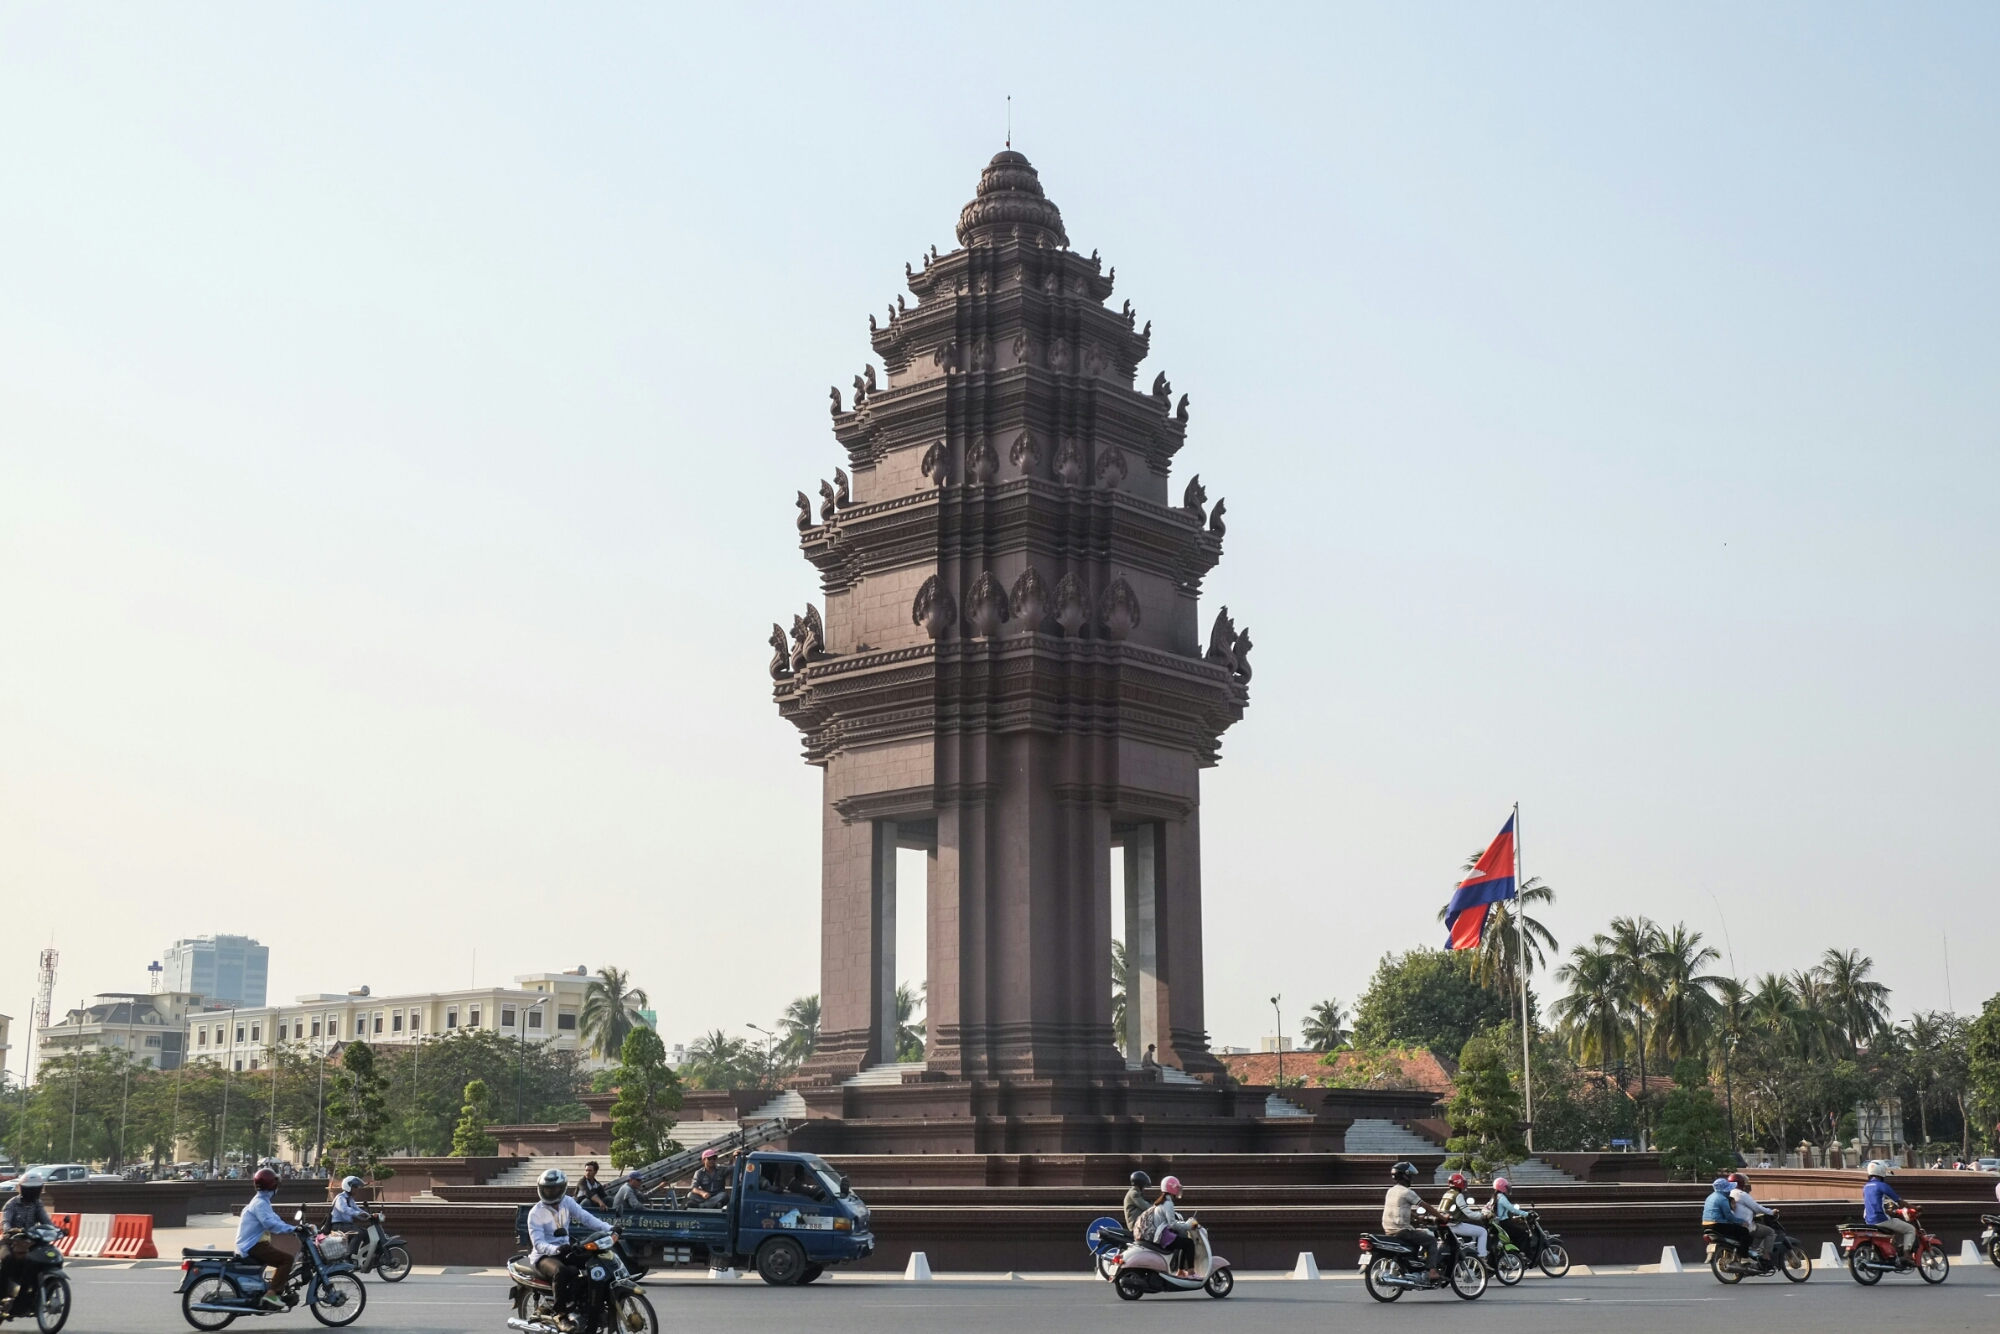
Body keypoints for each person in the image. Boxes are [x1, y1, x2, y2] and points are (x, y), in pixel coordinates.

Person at [529, 1168, 611, 1333]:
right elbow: (538, 1243)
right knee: (562, 1270)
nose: (550, 1192)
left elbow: (586, 1217)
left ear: (562, 1188)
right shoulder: (535, 1213)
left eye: (554, 1188)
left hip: (565, 1249)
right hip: (544, 1256)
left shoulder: (567, 1202)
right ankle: (561, 1315)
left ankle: (588, 1305)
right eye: (547, 1188)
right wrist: (556, 1248)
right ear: (541, 1189)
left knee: (593, 1261)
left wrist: (609, 1228)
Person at [235, 1167, 298, 1311]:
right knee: (286, 1260)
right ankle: (271, 1294)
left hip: (256, 1244)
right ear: (272, 1185)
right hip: (254, 1245)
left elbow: (276, 1220)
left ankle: (272, 1289)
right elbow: (269, 1223)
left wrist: (294, 1228)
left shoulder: (262, 1201)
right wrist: (292, 1229)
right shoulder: (260, 1203)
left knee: (282, 1258)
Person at [0, 1173, 56, 1317]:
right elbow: (5, 1221)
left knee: (39, 1261)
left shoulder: (37, 1204)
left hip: (30, 1242)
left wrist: (56, 1230)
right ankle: (2, 1296)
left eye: (35, 1189)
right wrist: (9, 1230)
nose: (33, 1193)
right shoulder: (12, 1204)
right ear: (22, 1189)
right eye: (29, 1189)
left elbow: (46, 1221)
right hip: (10, 1242)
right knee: (7, 1260)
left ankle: (29, 1294)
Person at [1383, 1161, 1440, 1281]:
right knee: (1431, 1241)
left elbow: (1400, 1209)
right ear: (1406, 1176)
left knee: (1417, 1238)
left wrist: (1416, 1217)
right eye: (1411, 1176)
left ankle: (1415, 1266)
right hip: (1402, 1230)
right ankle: (1432, 1271)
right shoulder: (1407, 1192)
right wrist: (1441, 1217)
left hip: (1389, 1229)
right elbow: (1427, 1207)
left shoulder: (1391, 1191)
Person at [1139, 1176, 1197, 1276]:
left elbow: (1170, 1222)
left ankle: (1181, 1271)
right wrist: (1189, 1226)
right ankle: (1191, 1271)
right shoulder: (1168, 1203)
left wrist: (1185, 1224)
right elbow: (1172, 1224)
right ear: (1172, 1188)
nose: (1179, 1190)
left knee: (1184, 1242)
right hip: (1163, 1236)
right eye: (1177, 1188)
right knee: (1189, 1243)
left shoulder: (1161, 1202)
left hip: (1161, 1234)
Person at [1862, 1161, 1914, 1258]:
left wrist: (1888, 1211)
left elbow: (1874, 1204)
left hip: (1869, 1221)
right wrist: (1915, 1207)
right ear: (1881, 1171)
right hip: (1881, 1220)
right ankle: (1907, 1255)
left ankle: (1893, 1247)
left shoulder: (1866, 1187)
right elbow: (1899, 1202)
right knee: (1910, 1229)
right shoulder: (1882, 1186)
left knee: (1894, 1225)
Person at [1438, 1173, 1489, 1262]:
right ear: (1459, 1183)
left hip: (1443, 1224)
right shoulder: (1458, 1195)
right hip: (1454, 1225)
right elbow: (1468, 1213)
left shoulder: (1447, 1193)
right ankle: (1482, 1258)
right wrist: (1482, 1215)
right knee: (1482, 1232)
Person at [1726, 1173, 1775, 1263]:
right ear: (1741, 1183)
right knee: (1770, 1232)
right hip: (1745, 1225)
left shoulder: (1728, 1194)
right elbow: (1756, 1207)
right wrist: (1771, 1212)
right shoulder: (1741, 1194)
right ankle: (1766, 1256)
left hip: (1731, 1225)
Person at [1491, 1177, 1531, 1255]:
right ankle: (1523, 1253)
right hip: (1505, 1224)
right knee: (1525, 1235)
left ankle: (1516, 1252)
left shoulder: (1495, 1197)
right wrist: (1527, 1214)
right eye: (1506, 1187)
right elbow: (1513, 1209)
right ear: (1502, 1187)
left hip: (1501, 1224)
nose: (1507, 1189)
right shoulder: (1502, 1198)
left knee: (1516, 1235)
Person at [328, 1175, 370, 1245]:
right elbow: (344, 1209)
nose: (356, 1190)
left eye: (356, 1187)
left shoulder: (350, 1200)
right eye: (354, 1187)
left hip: (347, 1225)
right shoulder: (340, 1198)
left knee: (366, 1233)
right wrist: (358, 1213)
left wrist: (369, 1215)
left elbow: (357, 1209)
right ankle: (350, 1254)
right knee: (358, 1233)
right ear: (348, 1186)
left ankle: (363, 1254)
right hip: (338, 1226)